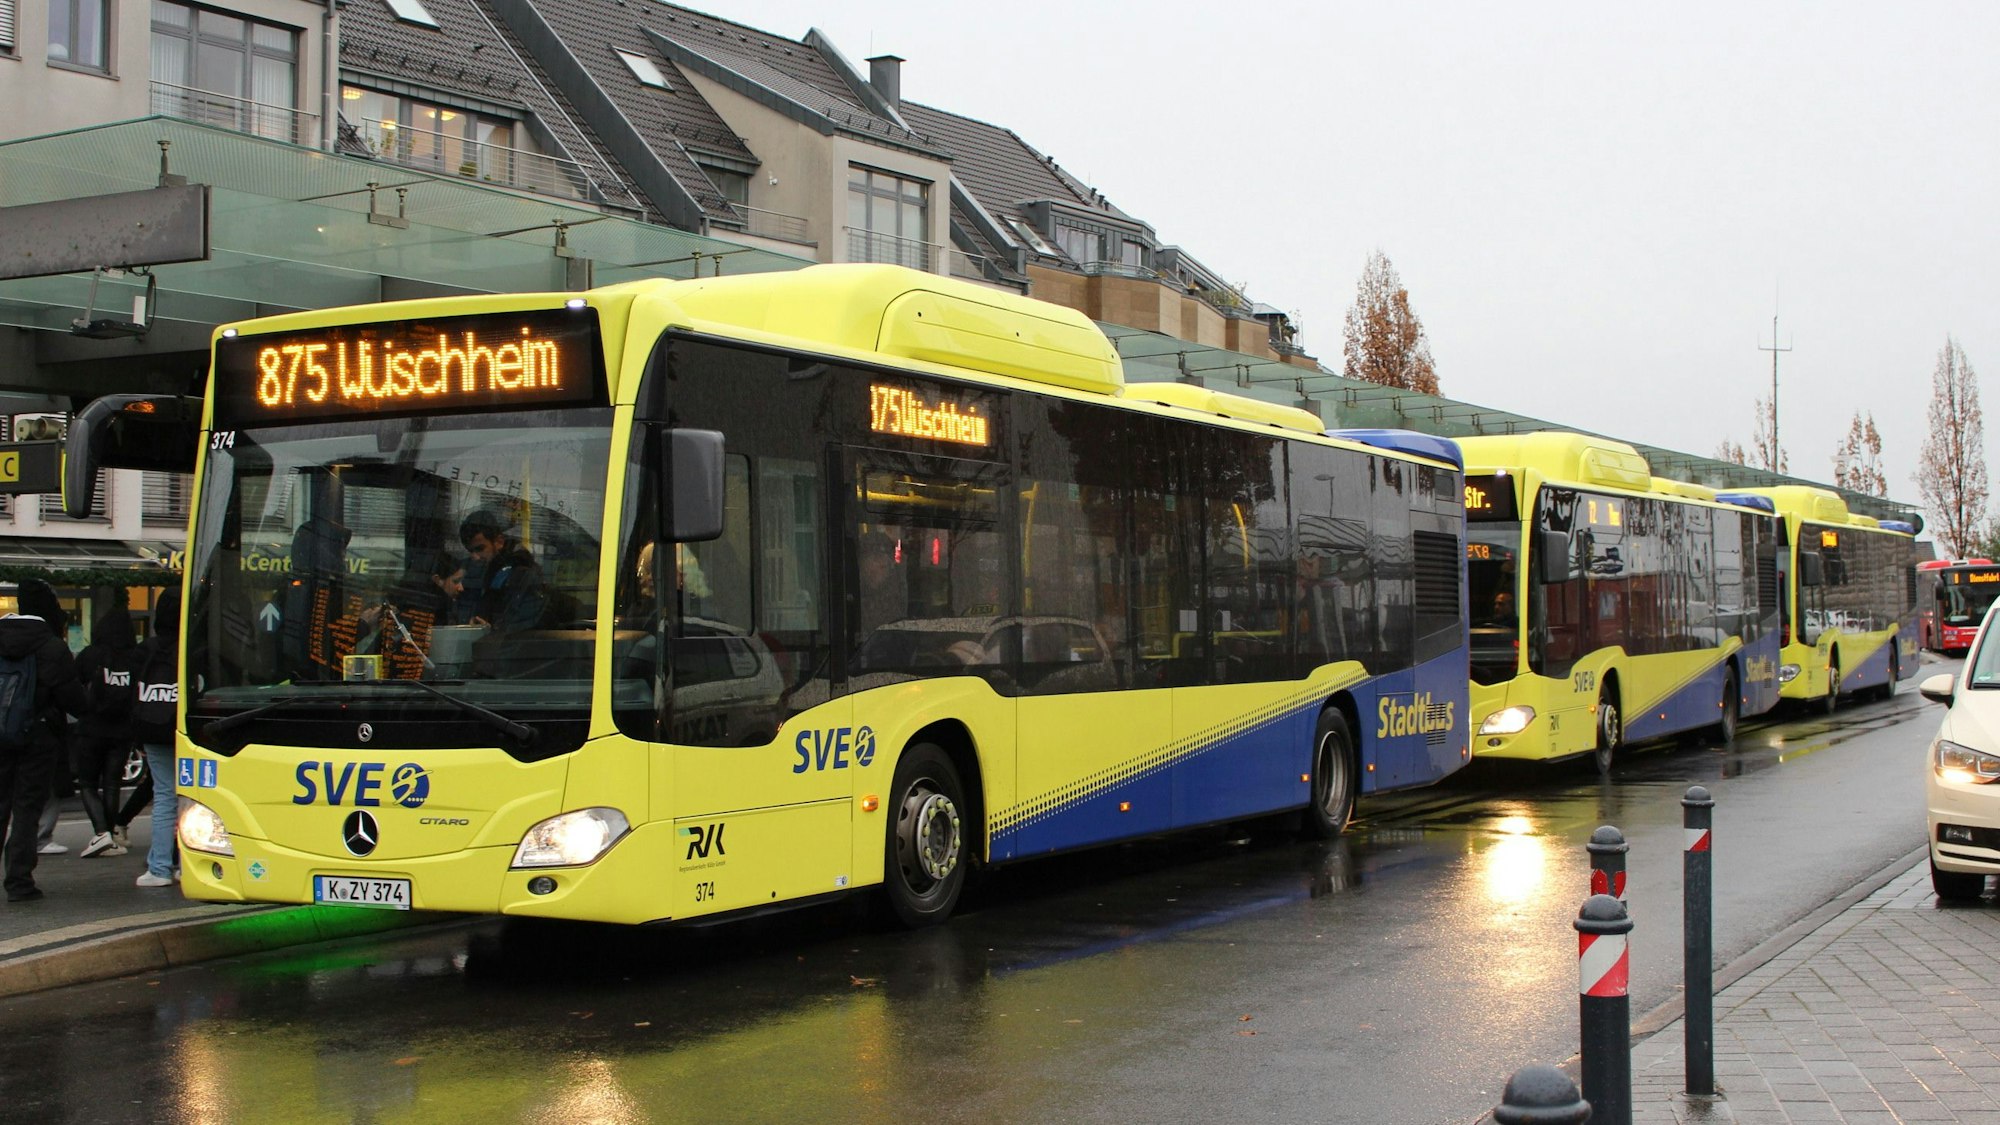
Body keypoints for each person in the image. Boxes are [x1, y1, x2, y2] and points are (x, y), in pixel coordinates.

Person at [0, 579, 89, 902]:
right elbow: (73, 699)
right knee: (26, 809)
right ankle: (19, 881)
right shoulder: (51, 646)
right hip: (37, 737)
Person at [71, 605, 139, 858]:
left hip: (91, 728)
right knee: (112, 784)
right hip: (122, 730)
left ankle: (101, 833)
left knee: (88, 783)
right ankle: (111, 835)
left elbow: (74, 683)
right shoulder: (135, 657)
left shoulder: (91, 655)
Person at [130, 588, 181, 889]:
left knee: (164, 796)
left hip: (153, 728)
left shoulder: (145, 650)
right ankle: (187, 864)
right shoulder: (193, 648)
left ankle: (159, 867)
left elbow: (132, 694)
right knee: (194, 797)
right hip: (187, 730)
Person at [458, 509, 547, 632]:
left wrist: (493, 631)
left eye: (480, 549)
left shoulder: (521, 573)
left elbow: (523, 623)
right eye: (471, 551)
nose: (475, 557)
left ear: (499, 542)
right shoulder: (488, 569)